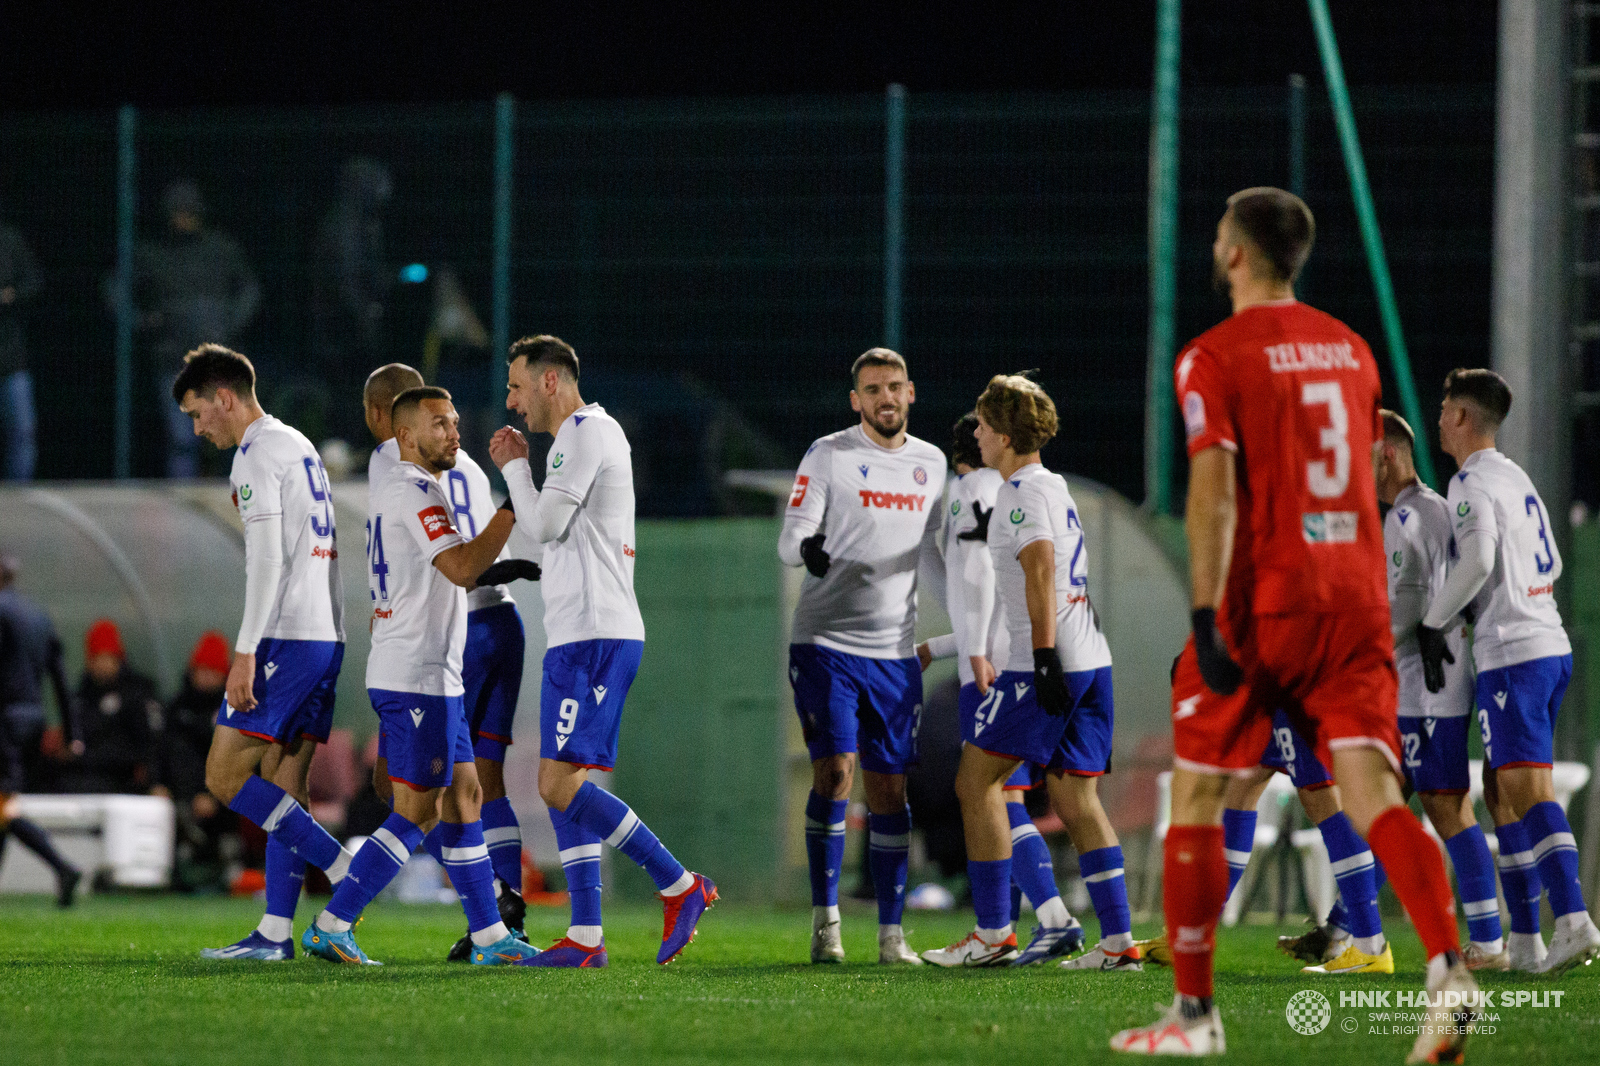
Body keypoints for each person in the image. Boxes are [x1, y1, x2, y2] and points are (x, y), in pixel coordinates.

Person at [1111, 188, 1475, 1063]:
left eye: (1217, 233)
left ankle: (1193, 1015)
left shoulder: (1212, 356)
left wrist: (1205, 612)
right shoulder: (1351, 351)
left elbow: (1214, 488)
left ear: (1235, 252)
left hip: (1261, 600)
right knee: (1373, 792)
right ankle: (1449, 970)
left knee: (1197, 792)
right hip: (1350, 597)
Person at [492, 334, 717, 967]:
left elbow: (546, 526)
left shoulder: (585, 433)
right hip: (579, 633)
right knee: (566, 780)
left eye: (516, 386)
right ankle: (587, 937)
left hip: (595, 634)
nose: (511, 403)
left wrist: (514, 467)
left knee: (555, 783)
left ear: (550, 381)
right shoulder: (579, 439)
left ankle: (678, 884)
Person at [301, 385, 535, 966]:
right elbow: (460, 568)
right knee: (418, 810)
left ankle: (490, 936)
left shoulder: (407, 488)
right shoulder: (413, 491)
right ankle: (334, 921)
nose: (453, 432)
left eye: (455, 421)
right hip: (415, 675)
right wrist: (512, 509)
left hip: (436, 673)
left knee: (467, 794)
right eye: (439, 424)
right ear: (405, 435)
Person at [919, 376, 1134, 971]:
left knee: (976, 784)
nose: (978, 434)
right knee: (1074, 796)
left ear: (1006, 435)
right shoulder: (1052, 486)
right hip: (1091, 659)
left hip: (1046, 661)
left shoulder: (1018, 493)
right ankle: (1117, 944)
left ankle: (993, 934)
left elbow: (1040, 570)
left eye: (986, 425)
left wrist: (1040, 659)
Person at [171, 344, 358, 962]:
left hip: (288, 637)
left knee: (224, 775)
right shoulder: (297, 443)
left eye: (200, 414)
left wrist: (246, 650)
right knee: (285, 786)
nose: (199, 429)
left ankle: (344, 864)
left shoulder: (253, 456)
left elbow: (270, 559)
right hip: (325, 634)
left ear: (224, 397)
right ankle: (276, 934)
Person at [1420, 368, 1600, 975]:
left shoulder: (1468, 481)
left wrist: (1433, 621)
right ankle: (1525, 940)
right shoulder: (1516, 477)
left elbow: (1479, 558)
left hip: (1515, 653)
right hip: (1544, 645)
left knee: (1527, 791)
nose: (1439, 417)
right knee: (1500, 794)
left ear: (1465, 418)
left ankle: (1574, 920)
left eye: (1447, 409)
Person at [363, 362, 538, 958]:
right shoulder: (456, 467)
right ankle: (498, 918)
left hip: (443, 636)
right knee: (477, 786)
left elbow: (447, 564)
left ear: (381, 419)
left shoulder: (394, 466)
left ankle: (342, 916)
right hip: (496, 618)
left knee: (407, 794)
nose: (452, 431)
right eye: (444, 422)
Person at [777, 347, 943, 966]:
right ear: (856, 400)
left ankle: (893, 935)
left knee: (890, 791)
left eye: (895, 386)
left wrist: (977, 634)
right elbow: (790, 539)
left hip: (894, 654)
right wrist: (810, 552)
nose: (886, 398)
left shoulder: (931, 465)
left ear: (911, 393)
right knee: (835, 774)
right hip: (826, 645)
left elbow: (943, 556)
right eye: (873, 389)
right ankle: (826, 922)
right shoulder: (829, 454)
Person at [1376, 408, 1508, 970]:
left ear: (1384, 455)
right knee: (1386, 799)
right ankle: (1346, 924)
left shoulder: (1408, 518)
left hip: (1429, 686)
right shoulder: (1429, 510)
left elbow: (1406, 605)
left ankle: (1488, 938)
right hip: (1427, 683)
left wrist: (1368, 650)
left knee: (1447, 807)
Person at [122, 181, 261, 478]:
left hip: (219, 361)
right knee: (182, 441)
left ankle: (237, 497)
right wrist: (142, 320)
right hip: (173, 359)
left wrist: (229, 321)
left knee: (232, 438)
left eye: (189, 212)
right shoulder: (151, 254)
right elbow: (116, 289)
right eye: (177, 213)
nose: (183, 219)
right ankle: (183, 499)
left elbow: (249, 289)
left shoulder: (221, 250)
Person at [0, 555, 80, 904]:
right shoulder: (38, 616)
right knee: (4, 802)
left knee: (4, 807)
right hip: (32, 721)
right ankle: (62, 870)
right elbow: (60, 679)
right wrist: (72, 732)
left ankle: (62, 867)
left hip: (3, 719)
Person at [313, 158, 393, 444]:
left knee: (358, 395)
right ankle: (343, 450)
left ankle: (352, 449)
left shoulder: (362, 224)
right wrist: (365, 320)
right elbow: (347, 282)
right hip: (343, 333)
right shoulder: (345, 226)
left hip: (348, 330)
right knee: (347, 396)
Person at [157, 631, 236, 890]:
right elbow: (161, 751)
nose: (205, 677)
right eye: (200, 670)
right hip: (179, 793)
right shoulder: (177, 708)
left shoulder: (236, 711)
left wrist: (212, 795)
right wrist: (158, 783)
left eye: (212, 671)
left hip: (221, 799)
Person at [57, 619, 161, 795]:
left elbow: (149, 743)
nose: (102, 665)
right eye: (97, 658)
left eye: (108, 657)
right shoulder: (81, 697)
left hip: (121, 780)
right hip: (84, 777)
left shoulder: (137, 693)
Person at [0, 211, 43, 480]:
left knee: (23, 433)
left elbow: (34, 282)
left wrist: (12, 294)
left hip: (10, 358)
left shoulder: (9, 240)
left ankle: (20, 497)